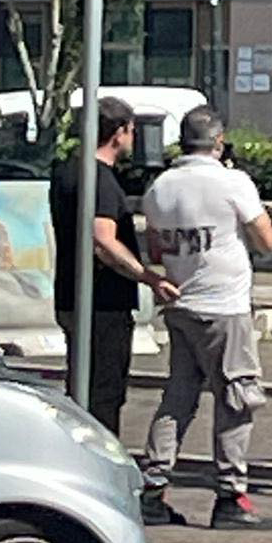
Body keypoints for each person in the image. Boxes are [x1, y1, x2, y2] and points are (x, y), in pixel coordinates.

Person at [143, 105, 272, 532]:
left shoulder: (160, 187)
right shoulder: (231, 181)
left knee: (178, 398)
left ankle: (152, 487)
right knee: (236, 398)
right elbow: (268, 241)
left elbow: (154, 249)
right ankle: (230, 494)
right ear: (218, 142)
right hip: (225, 307)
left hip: (181, 304)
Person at [49, 98, 178, 442]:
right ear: (119, 132)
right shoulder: (100, 181)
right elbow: (103, 242)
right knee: (104, 393)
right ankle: (99, 464)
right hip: (102, 303)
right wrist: (149, 277)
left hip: (70, 295)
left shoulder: (66, 171)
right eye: (132, 130)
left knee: (81, 386)